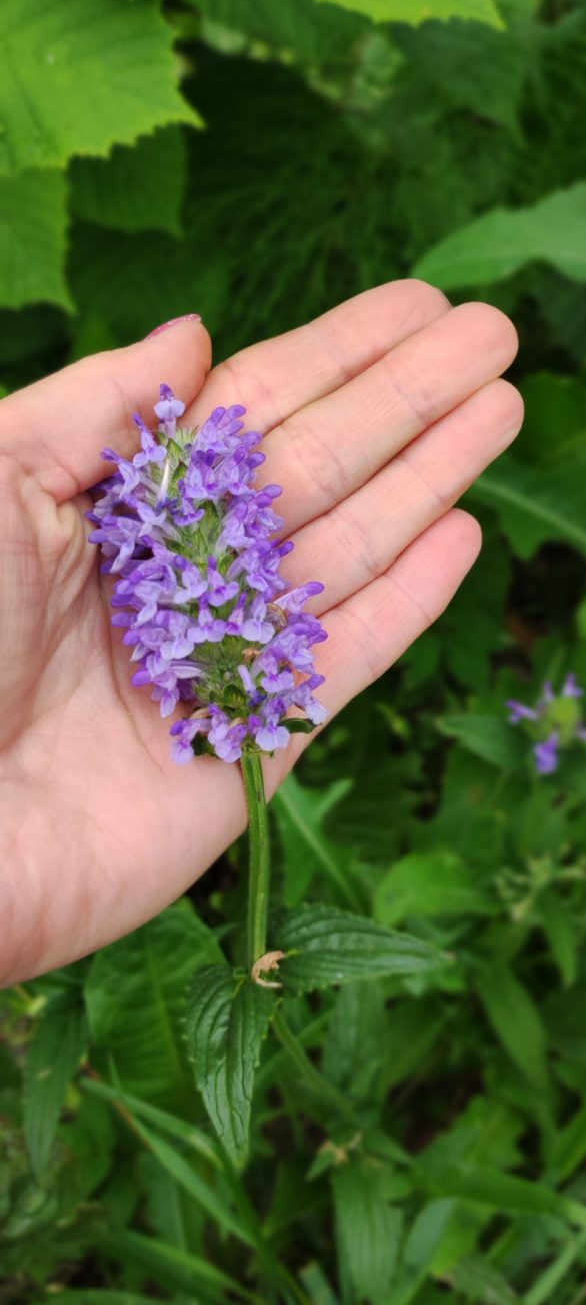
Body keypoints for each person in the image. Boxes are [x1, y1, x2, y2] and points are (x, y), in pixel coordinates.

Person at [0, 282, 522, 987]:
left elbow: (257, 544)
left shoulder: (228, 530)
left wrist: (254, 620)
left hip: (242, 653)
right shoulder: (146, 540)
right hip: (202, 660)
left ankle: (251, 696)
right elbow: (155, 594)